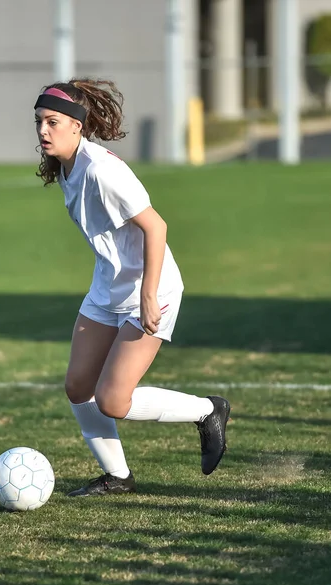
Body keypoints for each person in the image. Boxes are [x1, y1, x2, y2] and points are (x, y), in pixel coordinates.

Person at [34, 78, 230, 497]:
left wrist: (147, 294)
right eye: (39, 122)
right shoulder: (67, 166)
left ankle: (207, 410)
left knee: (112, 401)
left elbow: (156, 227)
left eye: (52, 122)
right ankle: (118, 477)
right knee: (76, 386)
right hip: (107, 288)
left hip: (151, 290)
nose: (43, 131)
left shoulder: (103, 171)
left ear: (77, 126)